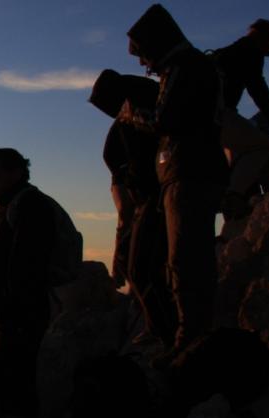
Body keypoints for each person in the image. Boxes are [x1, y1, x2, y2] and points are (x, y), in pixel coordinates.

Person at [120, 4, 228, 352]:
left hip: (190, 173)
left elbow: (166, 120)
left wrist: (132, 115)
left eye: (142, 54)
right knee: (180, 259)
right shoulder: (183, 68)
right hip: (185, 173)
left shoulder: (186, 67)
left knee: (187, 260)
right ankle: (187, 334)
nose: (142, 64)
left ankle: (190, 339)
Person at [0, 148, 82, 418]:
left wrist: (15, 319)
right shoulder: (12, 206)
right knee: (10, 395)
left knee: (17, 398)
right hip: (9, 323)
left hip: (19, 324)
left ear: (17, 172)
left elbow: (27, 269)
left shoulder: (31, 208)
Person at [90, 70, 178, 346]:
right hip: (154, 194)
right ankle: (163, 329)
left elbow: (125, 209)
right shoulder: (128, 119)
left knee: (145, 269)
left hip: (157, 195)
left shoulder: (137, 115)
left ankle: (166, 333)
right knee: (147, 269)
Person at [211, 19, 269, 219]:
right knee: (262, 145)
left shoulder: (229, 51)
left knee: (240, 150)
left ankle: (233, 196)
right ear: (262, 38)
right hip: (220, 116)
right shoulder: (249, 52)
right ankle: (232, 196)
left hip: (209, 118)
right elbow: (260, 94)